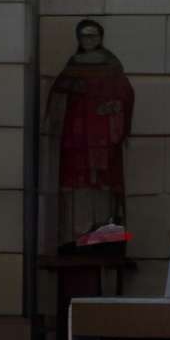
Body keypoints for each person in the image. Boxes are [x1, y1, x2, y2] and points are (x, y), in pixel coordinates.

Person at [45, 18, 135, 247]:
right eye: (85, 36)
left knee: (104, 183)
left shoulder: (112, 66)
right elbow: (57, 98)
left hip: (103, 137)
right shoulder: (72, 66)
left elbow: (125, 95)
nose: (89, 40)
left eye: (93, 35)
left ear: (101, 37)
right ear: (78, 38)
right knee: (78, 186)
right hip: (77, 138)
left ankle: (104, 233)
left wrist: (115, 106)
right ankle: (76, 235)